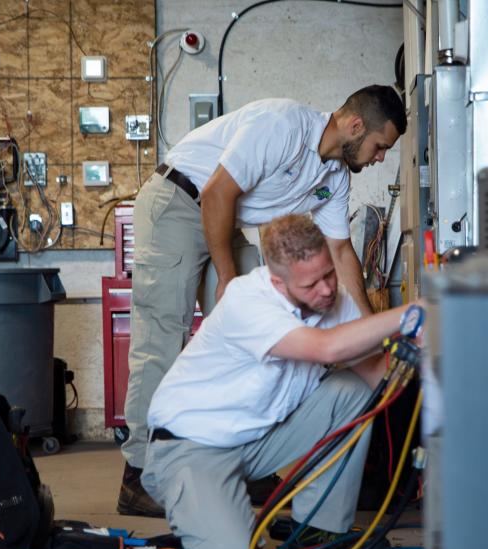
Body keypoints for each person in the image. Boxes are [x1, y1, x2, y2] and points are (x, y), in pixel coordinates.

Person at [118, 85, 407, 516]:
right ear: (355, 125)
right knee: (163, 334)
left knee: (259, 338)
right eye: (380, 146)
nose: (380, 157)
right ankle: (140, 476)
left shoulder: (334, 178)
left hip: (222, 217)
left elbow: (342, 252)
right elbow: (217, 191)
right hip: (180, 201)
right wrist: (228, 278)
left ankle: (242, 459)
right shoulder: (282, 124)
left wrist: (369, 334)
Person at [138, 214, 418, 549]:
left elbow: (379, 376)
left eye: (329, 274)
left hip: (257, 440)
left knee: (351, 389)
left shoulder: (334, 299)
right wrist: (411, 314)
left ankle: (317, 528)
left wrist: (425, 360)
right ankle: (206, 510)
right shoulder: (247, 301)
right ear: (277, 282)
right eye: (311, 284)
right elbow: (327, 349)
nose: (327, 290)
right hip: (191, 447)